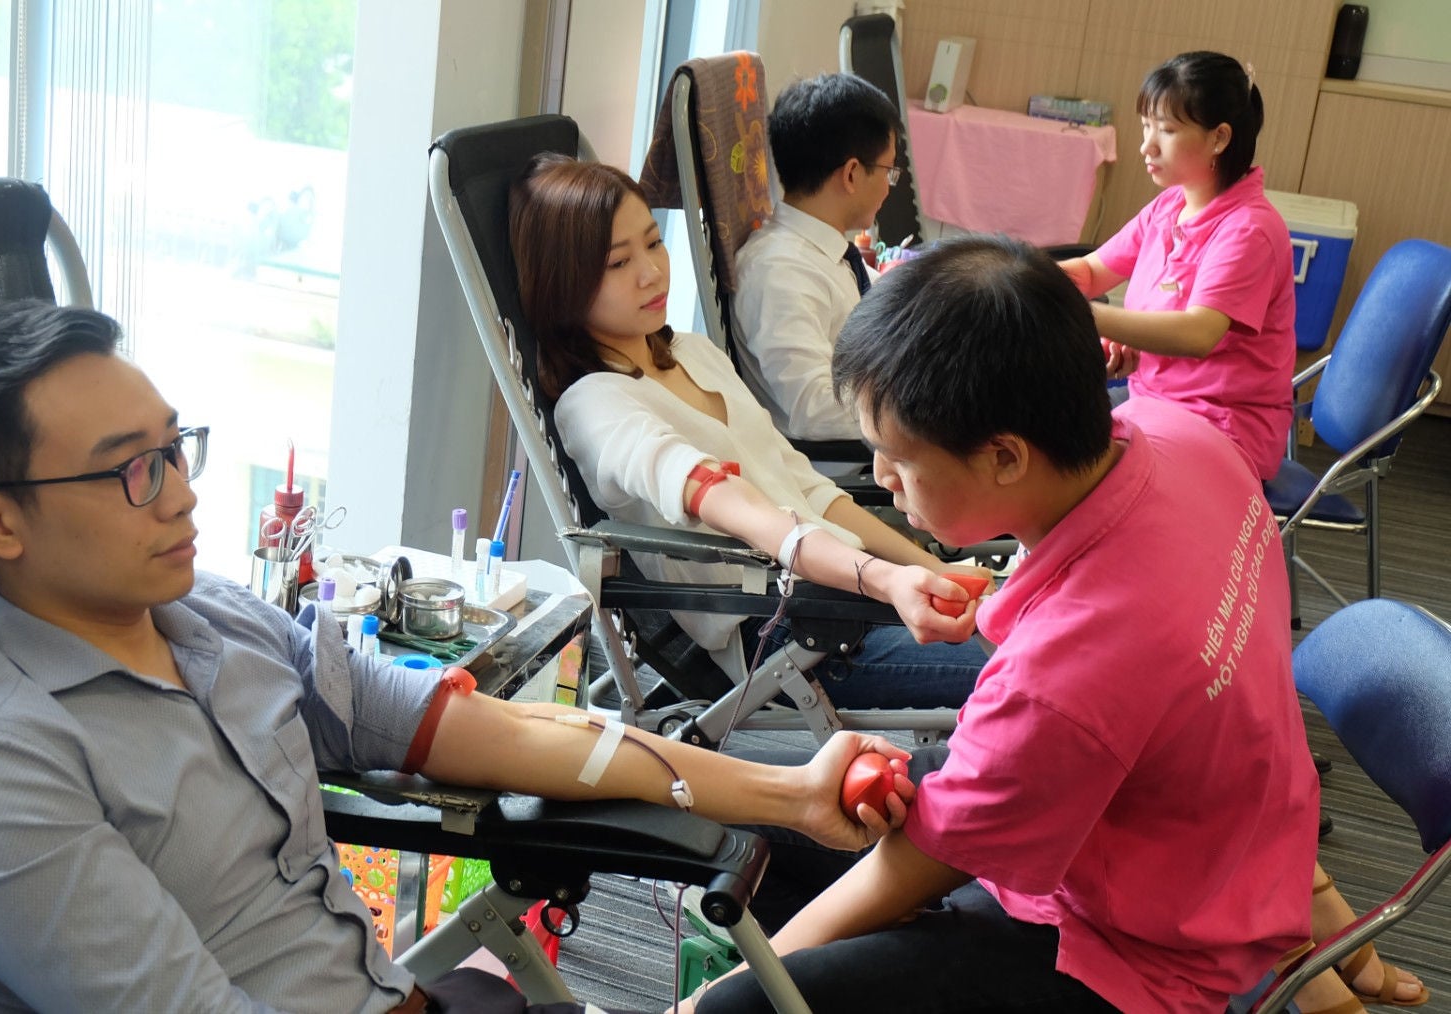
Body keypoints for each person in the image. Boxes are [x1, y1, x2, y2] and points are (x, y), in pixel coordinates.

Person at [0, 299, 914, 1014]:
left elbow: (470, 727)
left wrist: (786, 791)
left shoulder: (212, 621)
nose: (183, 492)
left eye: (175, 446)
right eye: (132, 472)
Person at [692, 235, 1319, 1013]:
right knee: (798, 821)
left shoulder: (1066, 676)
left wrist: (742, 984)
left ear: (1006, 458)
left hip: (1139, 953)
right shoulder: (1184, 436)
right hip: (1229, 852)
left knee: (741, 1001)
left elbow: (930, 856)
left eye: (897, 459)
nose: (884, 481)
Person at [510, 155, 987, 712]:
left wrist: (933, 570)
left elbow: (806, 491)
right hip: (791, 636)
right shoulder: (596, 405)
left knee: (1038, 636)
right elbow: (747, 512)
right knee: (1027, 669)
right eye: (618, 262)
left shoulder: (692, 352)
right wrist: (887, 581)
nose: (651, 272)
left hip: (845, 593)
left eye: (652, 243)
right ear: (563, 283)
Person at [1060, 51, 1296, 481]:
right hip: (1155, 404)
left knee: (1057, 459)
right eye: (1146, 126)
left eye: (1166, 130)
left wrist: (1080, 314)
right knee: (1040, 426)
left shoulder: (1249, 230)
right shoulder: (1172, 204)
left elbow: (1198, 333)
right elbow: (1093, 271)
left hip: (1221, 429)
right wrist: (1027, 279)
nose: (1146, 146)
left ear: (1219, 139)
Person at [732, 72, 901, 443]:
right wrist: (925, 405)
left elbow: (871, 291)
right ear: (852, 174)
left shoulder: (824, 252)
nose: (889, 187)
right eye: (889, 172)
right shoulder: (780, 272)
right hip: (840, 465)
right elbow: (811, 406)